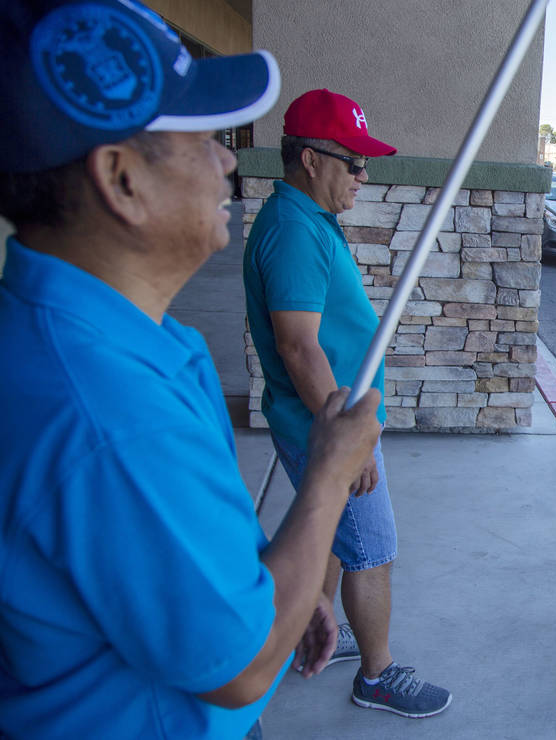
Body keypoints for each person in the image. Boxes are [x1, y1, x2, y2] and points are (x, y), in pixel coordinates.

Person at [0, 2, 383, 738]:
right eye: (203, 138)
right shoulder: (110, 413)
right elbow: (240, 667)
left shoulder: (120, 336)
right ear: (122, 180)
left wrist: (282, 584)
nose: (229, 159)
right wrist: (331, 474)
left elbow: (189, 555)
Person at [243, 89, 451, 718]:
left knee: (336, 531)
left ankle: (319, 626)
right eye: (353, 161)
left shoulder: (306, 219)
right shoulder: (293, 230)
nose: (364, 174)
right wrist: (347, 442)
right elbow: (299, 347)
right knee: (374, 545)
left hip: (330, 422)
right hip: (326, 426)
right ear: (310, 158)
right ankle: (377, 673)